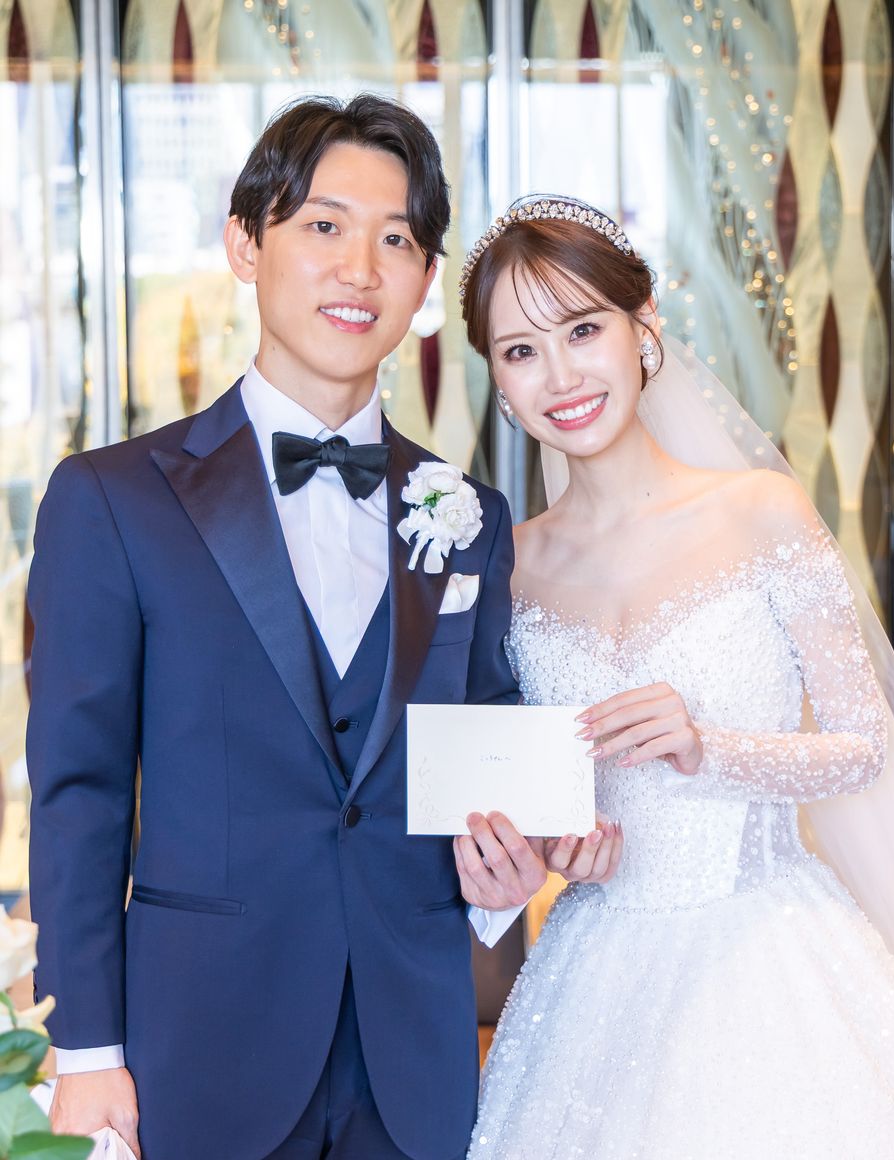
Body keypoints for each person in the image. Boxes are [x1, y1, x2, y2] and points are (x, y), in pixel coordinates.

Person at [26, 97, 619, 1160]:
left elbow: (488, 756)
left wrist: (508, 874)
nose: (359, 269)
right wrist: (84, 1050)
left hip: (414, 1058)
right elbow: (79, 794)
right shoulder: (113, 498)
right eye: (324, 226)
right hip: (195, 1052)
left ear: (425, 282)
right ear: (244, 245)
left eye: (395, 240)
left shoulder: (470, 516)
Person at [457, 197, 894, 1158]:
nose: (559, 375)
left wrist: (706, 746)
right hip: (595, 979)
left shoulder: (762, 512)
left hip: (770, 953)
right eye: (521, 351)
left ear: (643, 328)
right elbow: (529, 791)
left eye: (583, 330)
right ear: (499, 381)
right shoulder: (509, 568)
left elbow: (862, 748)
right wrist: (560, 846)